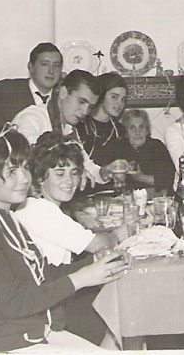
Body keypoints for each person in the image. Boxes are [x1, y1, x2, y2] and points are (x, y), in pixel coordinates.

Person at [0, 125, 130, 353]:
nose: (24, 178)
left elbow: (42, 274)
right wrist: (81, 278)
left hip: (19, 330)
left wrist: (96, 262)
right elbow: (14, 303)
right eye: (12, 171)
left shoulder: (6, 216)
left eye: (25, 167)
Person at [14, 132, 128, 345]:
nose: (69, 181)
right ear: (40, 177)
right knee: (125, 318)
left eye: (74, 173)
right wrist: (127, 228)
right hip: (48, 308)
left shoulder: (38, 206)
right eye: (59, 174)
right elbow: (98, 245)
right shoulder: (40, 211)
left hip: (56, 294)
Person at [12, 69, 120, 187]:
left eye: (90, 107)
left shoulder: (69, 128)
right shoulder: (32, 117)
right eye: (81, 102)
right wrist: (75, 171)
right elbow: (32, 158)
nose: (85, 111)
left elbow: (86, 166)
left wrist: (104, 172)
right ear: (63, 92)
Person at [0, 42, 63, 126]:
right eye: (44, 64)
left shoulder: (64, 97)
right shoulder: (5, 91)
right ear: (31, 67)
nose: (51, 71)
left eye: (56, 65)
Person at [75, 71, 130, 194]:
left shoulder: (120, 130)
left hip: (113, 196)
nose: (119, 104)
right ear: (101, 96)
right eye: (114, 97)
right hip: (82, 194)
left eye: (123, 99)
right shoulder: (80, 126)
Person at [121, 109, 176, 197]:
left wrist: (141, 178)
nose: (137, 132)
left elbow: (169, 179)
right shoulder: (120, 149)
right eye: (132, 128)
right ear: (126, 132)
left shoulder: (156, 147)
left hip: (157, 198)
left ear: (147, 131)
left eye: (141, 127)